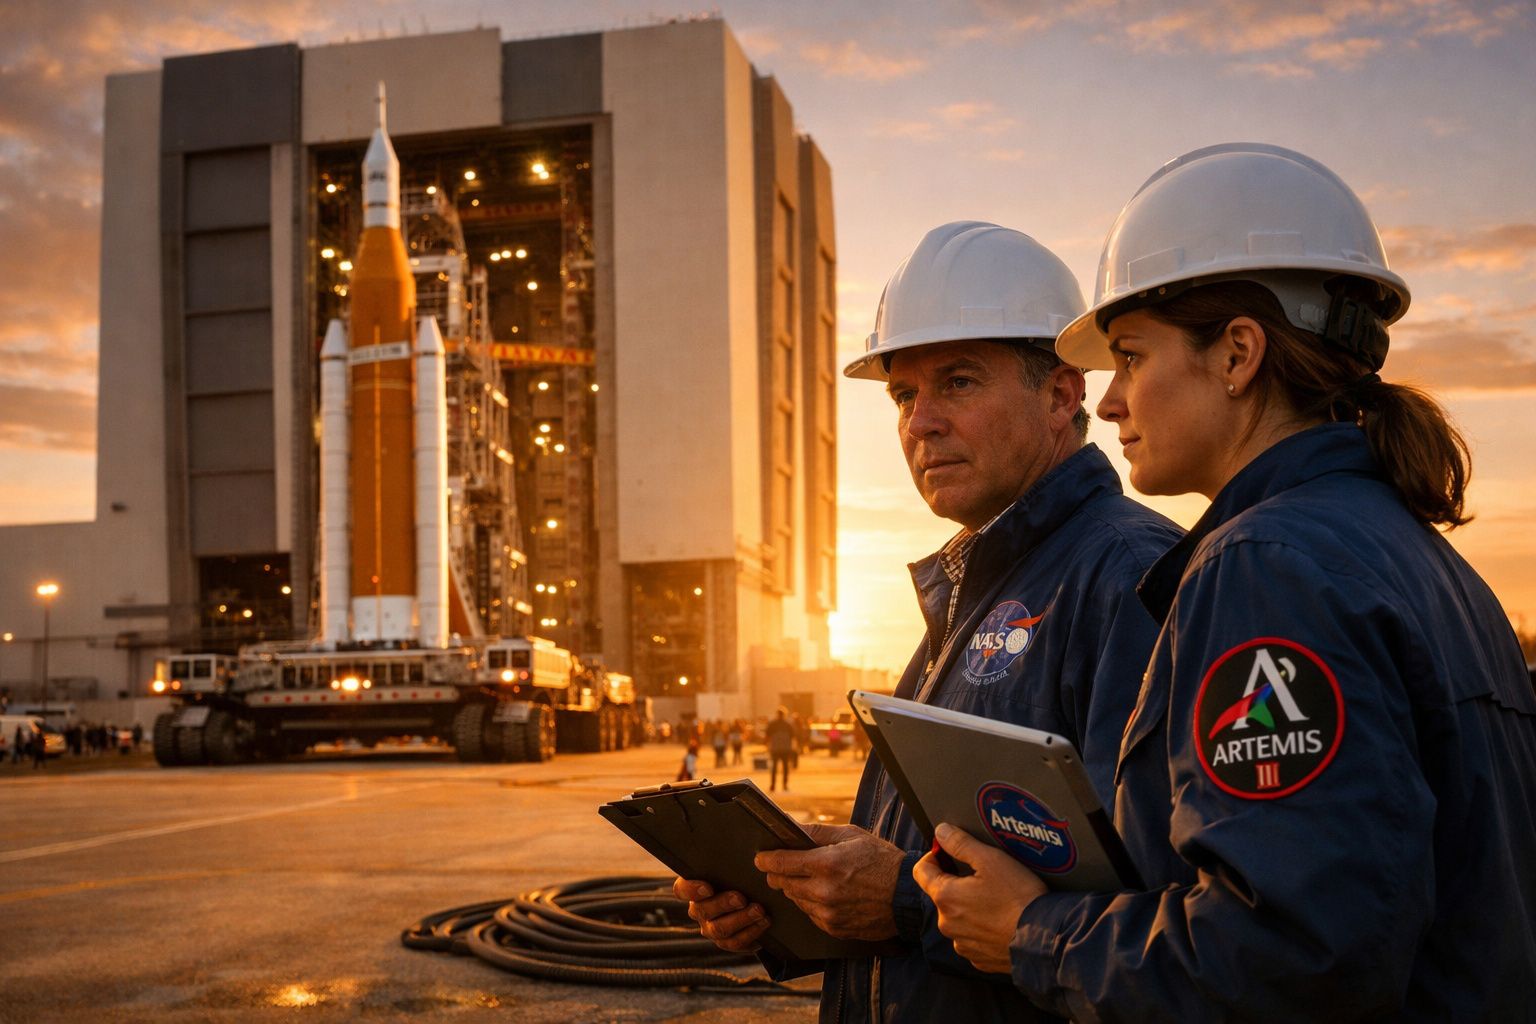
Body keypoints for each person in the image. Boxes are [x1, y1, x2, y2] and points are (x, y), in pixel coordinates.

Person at [916, 144, 1536, 1022]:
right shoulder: (1423, 560)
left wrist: (1034, 931)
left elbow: (1281, 960)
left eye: (1130, 356)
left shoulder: (1265, 569)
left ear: (1239, 354)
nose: (1109, 401)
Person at [677, 221, 1181, 1022]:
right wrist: (809, 892)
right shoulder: (974, 589)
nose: (919, 424)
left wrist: (906, 904)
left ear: (1059, 394)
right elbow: (950, 850)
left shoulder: (1130, 579)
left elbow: (1166, 928)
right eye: (905, 395)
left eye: (957, 382)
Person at [764, 707, 795, 792]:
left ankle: (773, 785)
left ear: (777, 714)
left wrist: (767, 746)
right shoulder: (788, 724)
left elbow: (767, 735)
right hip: (785, 748)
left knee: (774, 768)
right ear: (784, 715)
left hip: (775, 748)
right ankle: (785, 785)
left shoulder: (772, 724)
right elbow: (793, 736)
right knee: (785, 768)